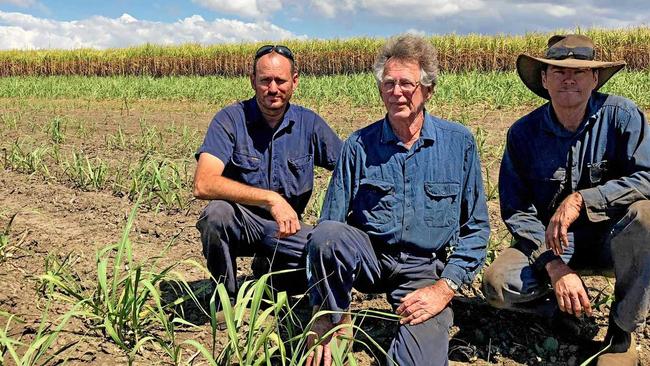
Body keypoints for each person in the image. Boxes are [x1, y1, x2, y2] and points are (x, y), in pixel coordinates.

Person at [304, 34, 490, 366]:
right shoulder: (359, 145)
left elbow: (476, 229)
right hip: (370, 259)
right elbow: (328, 227)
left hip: (422, 269)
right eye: (389, 83)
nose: (396, 92)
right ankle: (336, 317)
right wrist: (323, 308)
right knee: (328, 235)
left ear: (428, 90)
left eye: (407, 83)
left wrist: (444, 288)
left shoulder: (458, 143)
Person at [482, 34, 650, 366]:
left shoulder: (621, 116)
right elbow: (517, 210)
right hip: (553, 244)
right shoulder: (523, 134)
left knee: (647, 216)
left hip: (614, 242)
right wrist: (555, 266)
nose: (568, 78)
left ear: (595, 78)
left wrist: (583, 199)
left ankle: (620, 335)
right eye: (558, 71)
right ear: (544, 79)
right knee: (497, 284)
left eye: (579, 71)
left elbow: (648, 176)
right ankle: (563, 311)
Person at [192, 45, 343, 317]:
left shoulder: (309, 124)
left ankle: (269, 277)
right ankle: (225, 299)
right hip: (241, 223)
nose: (273, 88)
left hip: (287, 230)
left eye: (280, 81)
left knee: (332, 253)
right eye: (265, 80)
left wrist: (339, 220)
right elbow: (203, 183)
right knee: (216, 214)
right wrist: (271, 199)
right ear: (253, 80)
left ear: (294, 81)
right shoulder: (230, 119)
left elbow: (348, 169)